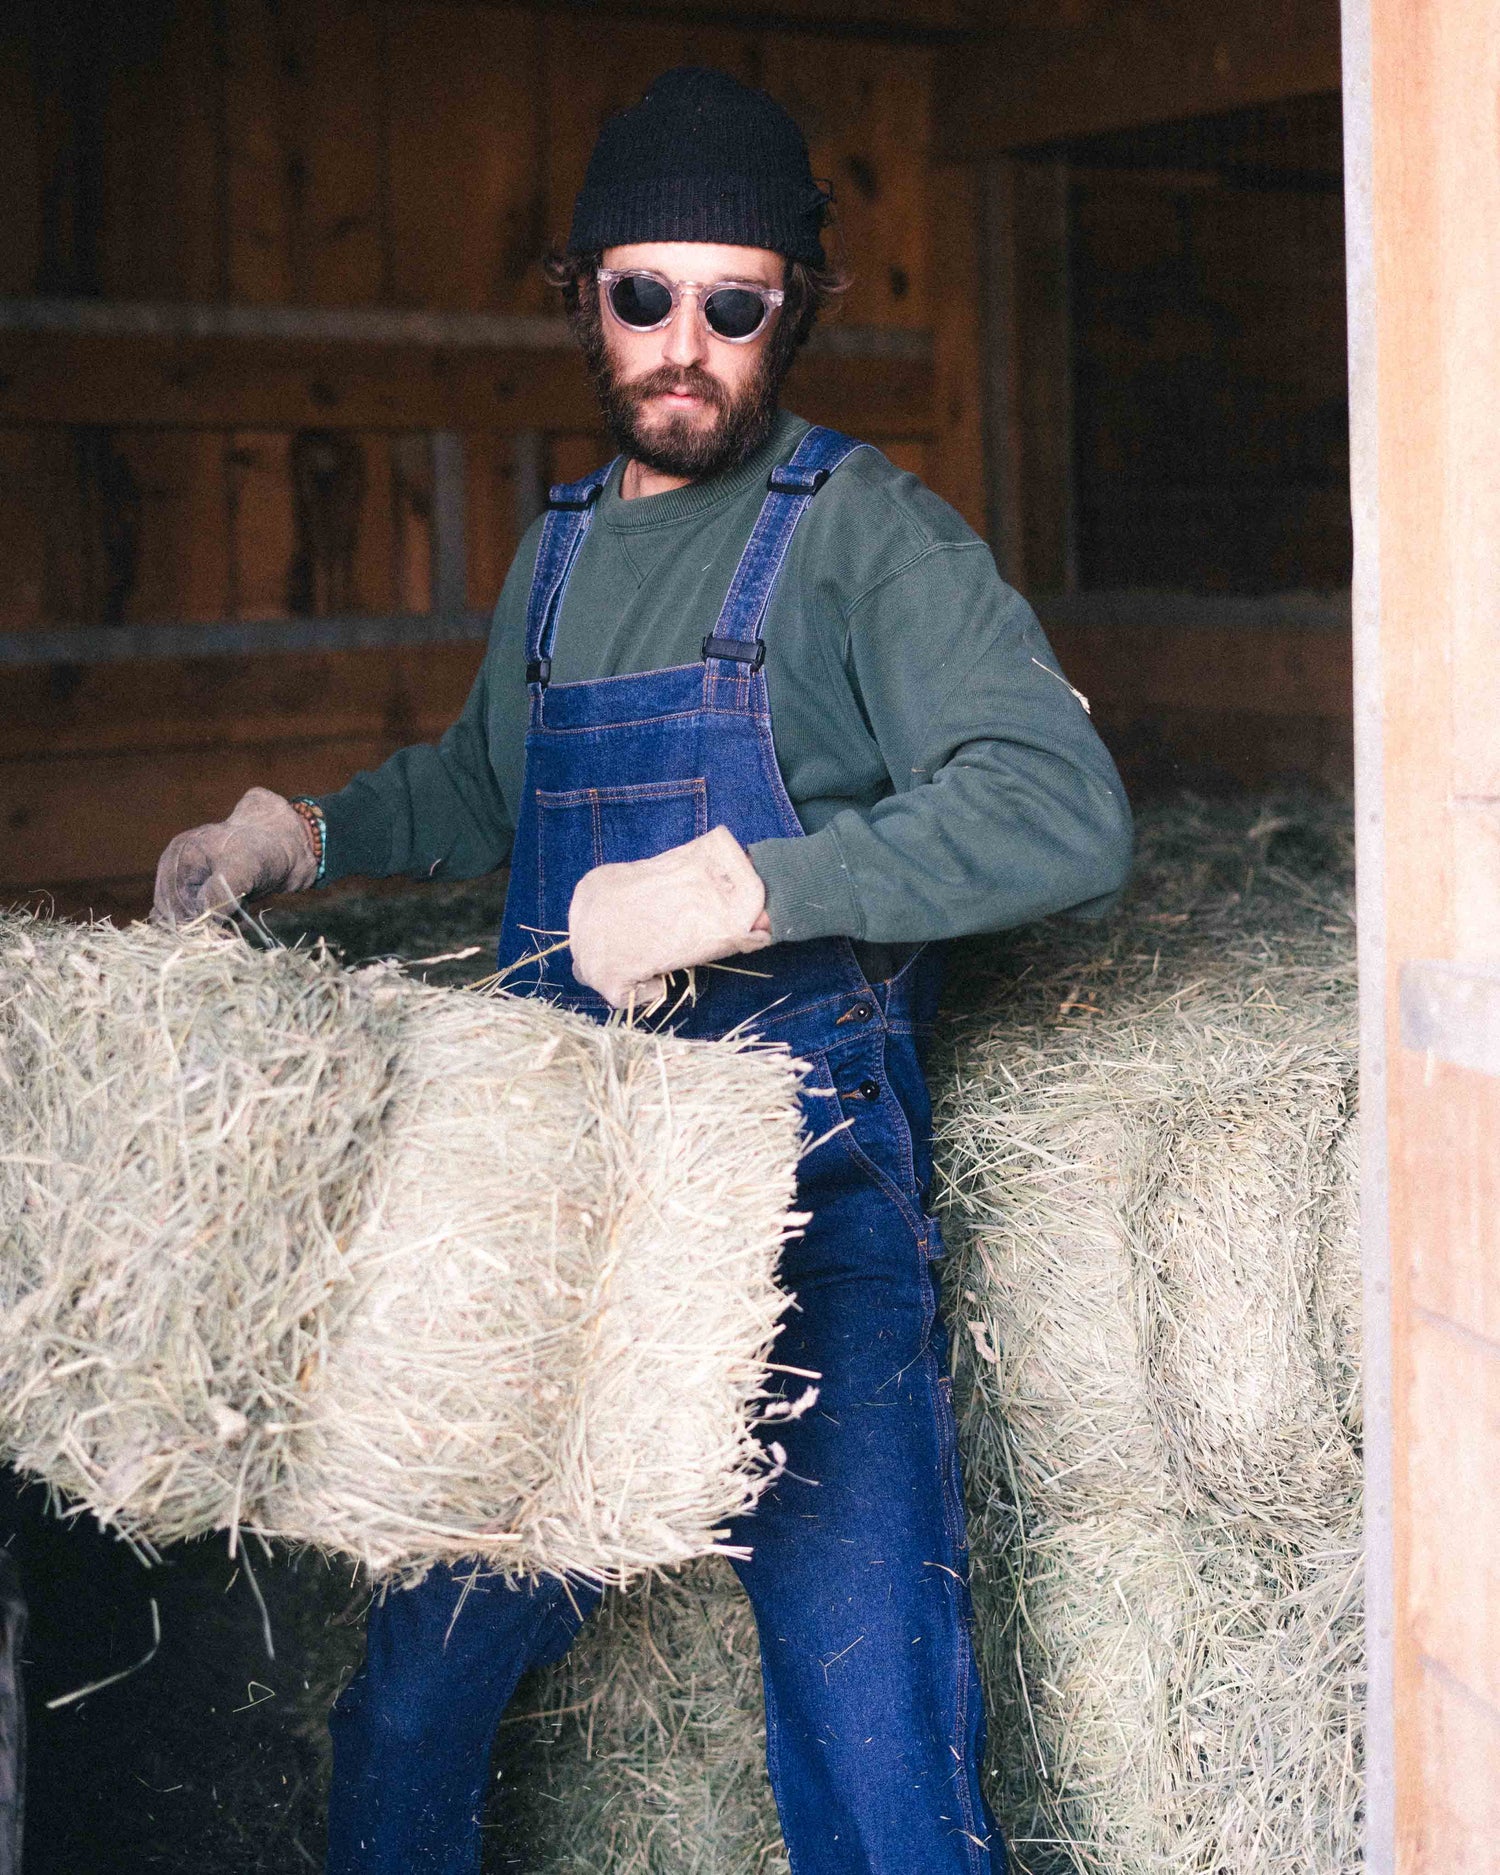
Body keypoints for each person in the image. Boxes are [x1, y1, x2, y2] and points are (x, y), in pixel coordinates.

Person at [155, 66, 1132, 1875]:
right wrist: (298, 830)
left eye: (735, 304)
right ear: (586, 292)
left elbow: (1063, 810)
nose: (686, 346)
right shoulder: (558, 552)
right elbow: (482, 780)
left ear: (797, 306)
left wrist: (743, 890)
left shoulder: (865, 539)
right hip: (571, 1208)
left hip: (801, 1199)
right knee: (407, 1713)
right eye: (644, 296)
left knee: (873, 1748)